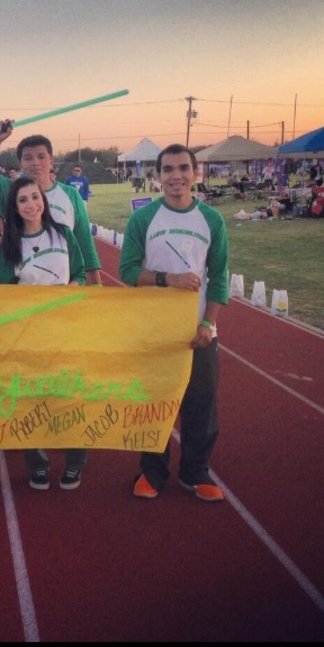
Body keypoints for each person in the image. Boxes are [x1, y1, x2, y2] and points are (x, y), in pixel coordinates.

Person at [118, 143, 228, 503]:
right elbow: (128, 271)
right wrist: (170, 279)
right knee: (154, 405)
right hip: (154, 332)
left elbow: (220, 277)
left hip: (198, 331)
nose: (176, 175)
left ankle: (195, 472)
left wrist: (208, 325)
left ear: (196, 173)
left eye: (183, 168)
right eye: (167, 169)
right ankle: (152, 472)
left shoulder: (212, 220)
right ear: (158, 176)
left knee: (200, 407)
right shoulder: (143, 219)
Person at [0, 174, 88, 491]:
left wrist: (73, 288)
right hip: (29, 336)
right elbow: (5, 294)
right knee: (31, 401)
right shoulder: (9, 247)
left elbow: (80, 274)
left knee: (71, 397)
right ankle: (37, 464)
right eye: (22, 200)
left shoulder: (63, 234)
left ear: (43, 200)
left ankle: (75, 464)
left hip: (67, 331)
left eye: (35, 197)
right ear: (14, 207)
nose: (31, 204)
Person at [0, 123, 101, 285]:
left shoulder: (71, 195)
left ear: (51, 161)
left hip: (65, 289)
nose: (35, 162)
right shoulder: (10, 191)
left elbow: (84, 241)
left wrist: (97, 284)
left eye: (41, 157)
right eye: (28, 158)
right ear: (21, 163)